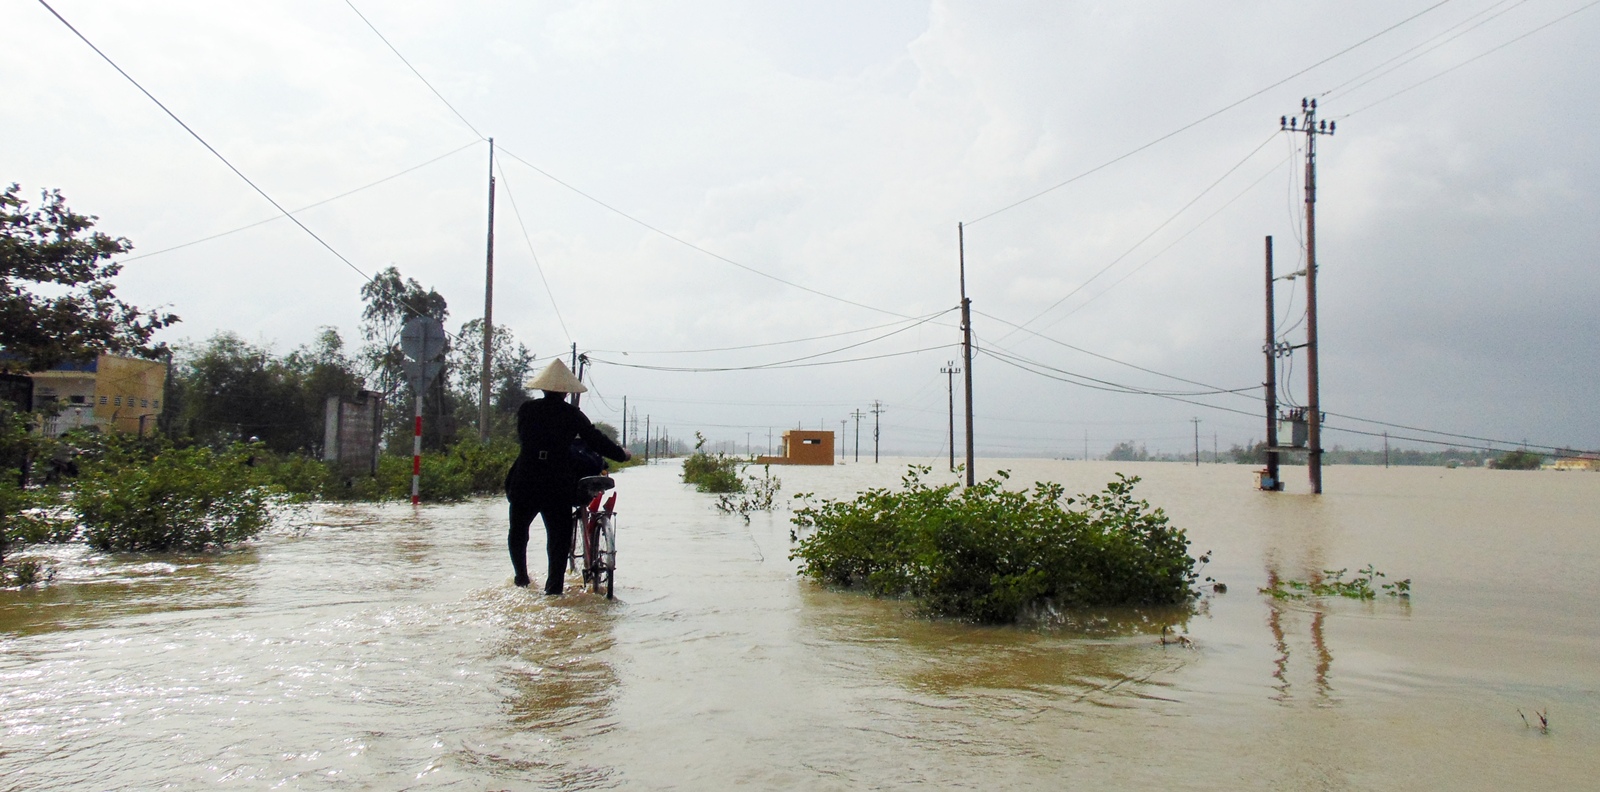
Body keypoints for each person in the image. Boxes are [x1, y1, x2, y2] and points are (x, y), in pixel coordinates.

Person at [504, 359, 630, 594]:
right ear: (565, 391)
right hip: (556, 481)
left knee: (518, 531)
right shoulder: (572, 414)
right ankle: (554, 589)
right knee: (558, 538)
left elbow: (524, 437)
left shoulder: (527, 410)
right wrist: (621, 455)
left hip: (526, 477)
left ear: (543, 388)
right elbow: (595, 439)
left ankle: (521, 578)